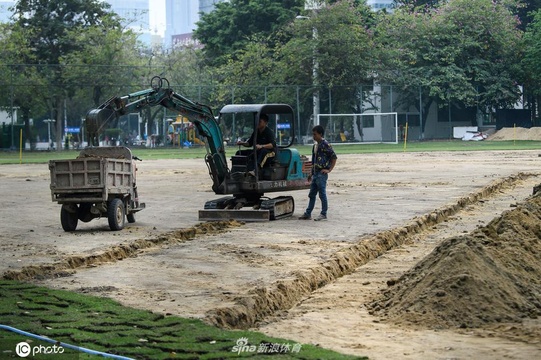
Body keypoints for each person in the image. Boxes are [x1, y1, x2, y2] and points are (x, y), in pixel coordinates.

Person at [299, 125, 337, 221]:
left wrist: (329, 170)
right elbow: (314, 161)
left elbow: (334, 157)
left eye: (315, 134)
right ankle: (308, 213)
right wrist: (311, 173)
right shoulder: (315, 146)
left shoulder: (326, 144)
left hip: (322, 173)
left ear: (320, 134)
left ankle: (323, 214)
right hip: (316, 173)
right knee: (312, 194)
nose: (313, 136)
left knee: (322, 194)